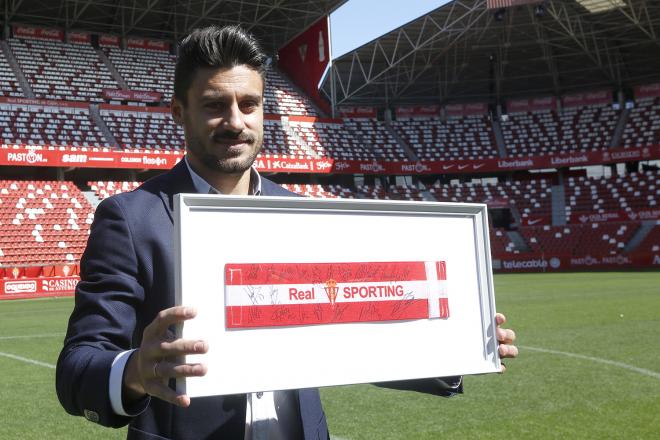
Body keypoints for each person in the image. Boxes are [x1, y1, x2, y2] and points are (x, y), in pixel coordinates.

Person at [56, 25, 518, 440]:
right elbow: (77, 367)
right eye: (215, 105)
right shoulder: (131, 218)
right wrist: (136, 370)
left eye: (249, 105)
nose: (235, 121)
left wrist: (455, 348)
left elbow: (347, 336)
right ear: (180, 112)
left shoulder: (299, 212)